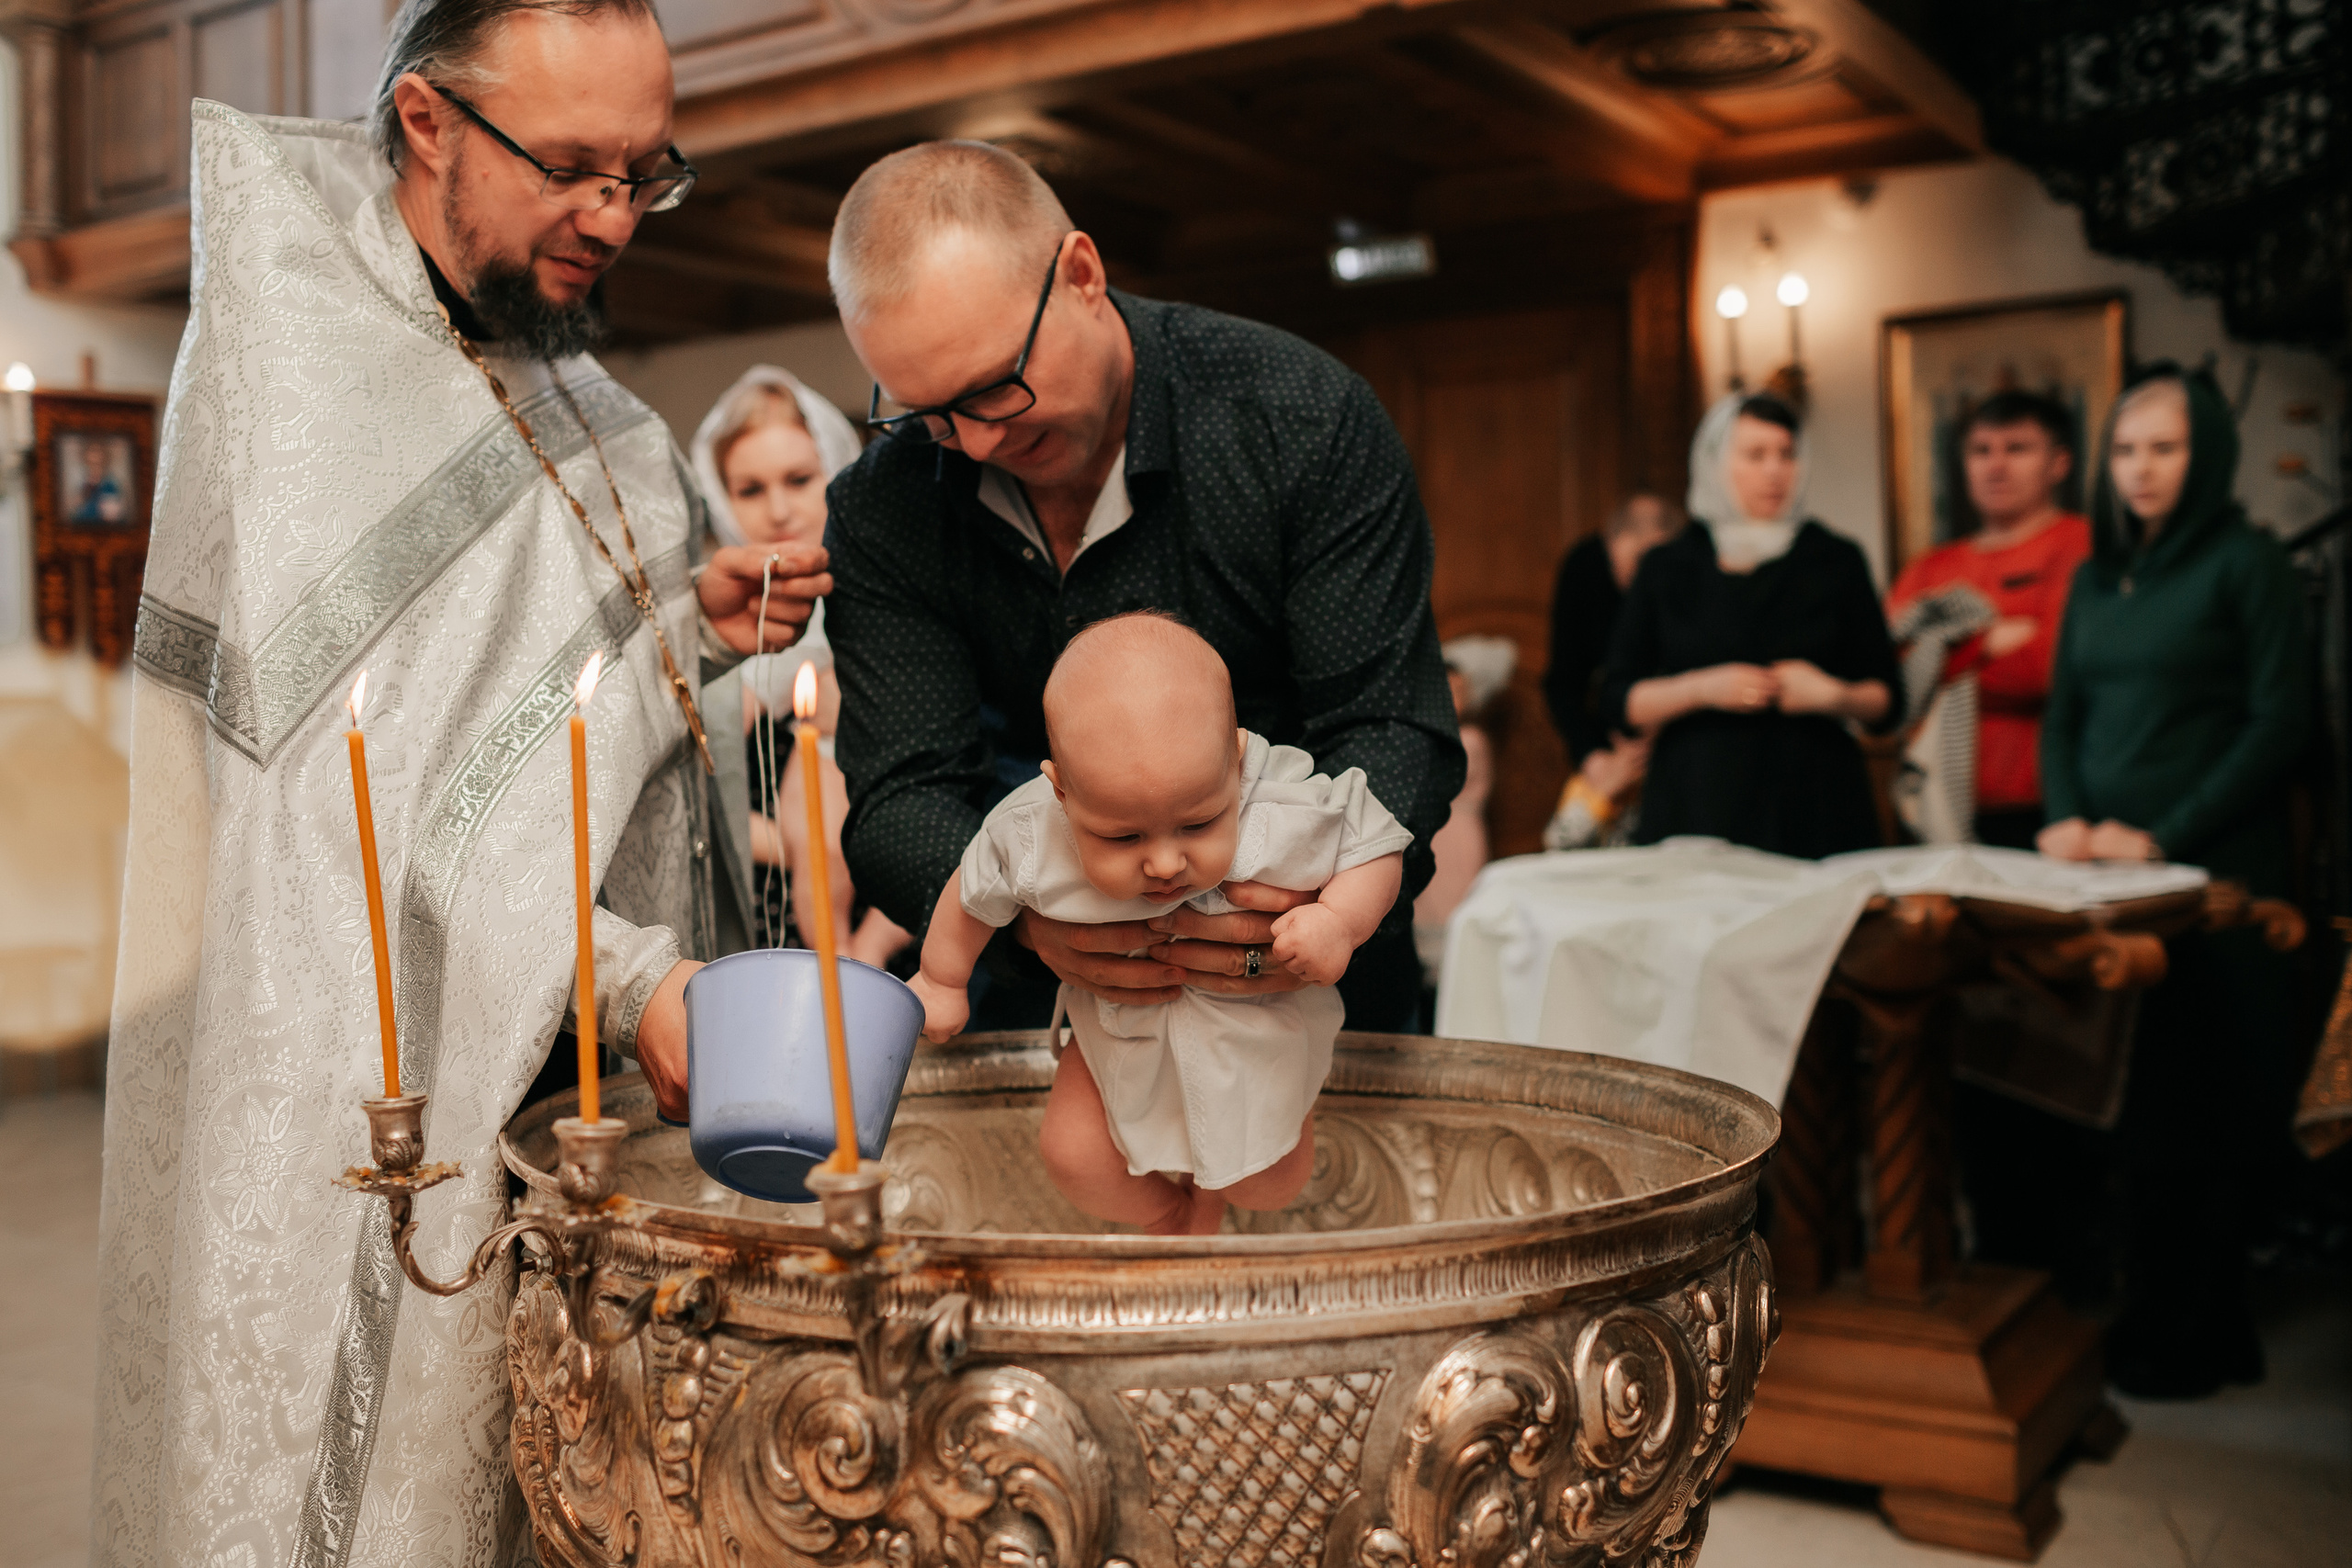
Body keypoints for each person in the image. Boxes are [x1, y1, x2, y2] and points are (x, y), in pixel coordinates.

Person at [90, 5, 817, 1563]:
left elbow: (549, 727)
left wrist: (696, 629)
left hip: (583, 1106)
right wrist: (635, 983)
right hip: (370, 1103)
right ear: (426, 122)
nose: (613, 217)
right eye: (572, 167)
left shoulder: (609, 422)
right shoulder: (301, 388)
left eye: (647, 173)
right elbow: (340, 825)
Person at [811, 141, 1464, 1045]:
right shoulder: (884, 503)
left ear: (1081, 273)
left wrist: (1309, 912)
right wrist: (1031, 928)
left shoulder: (1302, 420)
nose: (978, 443)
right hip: (1034, 1011)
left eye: (995, 388)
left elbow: (1387, 726)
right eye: (929, 414)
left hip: (1319, 994)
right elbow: (903, 793)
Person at [908, 615, 1408, 1234]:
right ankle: (1170, 1215)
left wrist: (1340, 920)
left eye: (1198, 824)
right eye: (1123, 836)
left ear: (1237, 763)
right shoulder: (1032, 832)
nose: (1166, 863)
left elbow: (1374, 841)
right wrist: (942, 977)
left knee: (1269, 1183)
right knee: (1073, 1156)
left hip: (1254, 1033)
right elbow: (973, 889)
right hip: (1117, 1031)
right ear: (1061, 792)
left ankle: (1228, 1176)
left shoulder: (1280, 807)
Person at [2038, 365, 2311, 1397]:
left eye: (2165, 447)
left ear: (2206, 456)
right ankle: (2150, 1315)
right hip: (2105, 876)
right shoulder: (2097, 576)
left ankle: (2204, 1331)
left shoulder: (2248, 563)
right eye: (2125, 450)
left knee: (2215, 1101)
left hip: (2218, 877)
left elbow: (2280, 722)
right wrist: (2066, 817)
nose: (2141, 469)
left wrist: (2164, 835)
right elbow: (2065, 713)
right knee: (2137, 1102)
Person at [1600, 394, 1902, 858]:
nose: (1775, 471)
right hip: (1698, 804)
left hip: (1816, 805)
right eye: (1756, 455)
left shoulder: (1836, 559)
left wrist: (1832, 696)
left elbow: (1888, 699)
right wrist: (1701, 689)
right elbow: (1619, 699)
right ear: (1715, 462)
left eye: (1787, 454)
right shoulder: (1668, 565)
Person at [688, 366, 909, 966]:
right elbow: (696, 788)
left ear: (836, 468)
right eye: (750, 490)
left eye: (799, 479)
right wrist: (804, 848)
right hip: (767, 915)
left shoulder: (896, 588)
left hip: (905, 892)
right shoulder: (713, 623)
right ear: (719, 494)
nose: (780, 510)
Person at [1886, 391, 2092, 849]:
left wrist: (1938, 653)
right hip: (1931, 801)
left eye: (2017, 448)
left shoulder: (2081, 547)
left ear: (2059, 464)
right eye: (1981, 451)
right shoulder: (1928, 568)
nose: (1996, 466)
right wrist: (1987, 644)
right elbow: (1890, 679)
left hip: (2047, 808)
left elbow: (2049, 669)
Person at [1542, 494, 1681, 850]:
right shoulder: (1585, 569)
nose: (1644, 581)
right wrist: (1597, 763)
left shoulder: (1689, 574)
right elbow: (1561, 845)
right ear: (1612, 544)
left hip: (1675, 757)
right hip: (1608, 757)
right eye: (1637, 563)